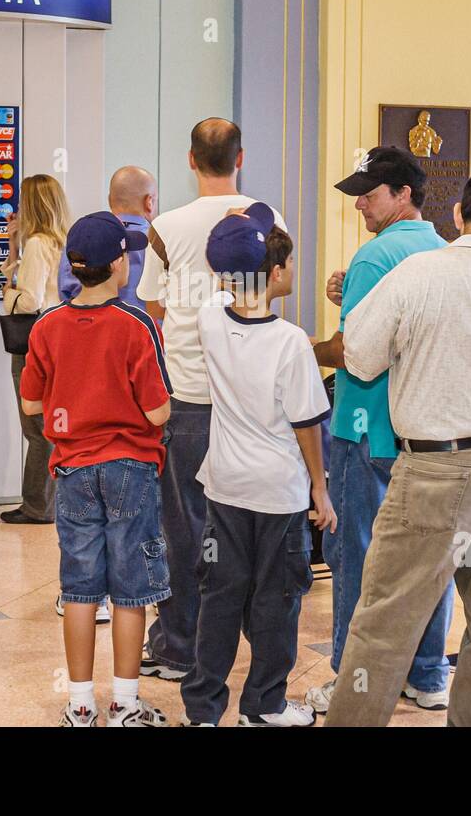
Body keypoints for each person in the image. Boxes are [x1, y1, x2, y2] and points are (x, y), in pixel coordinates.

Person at [324, 170, 471, 727]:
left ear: (458, 213)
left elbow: (358, 357)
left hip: (437, 470)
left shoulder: (418, 273)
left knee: (384, 622)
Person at [134, 118, 286, 682]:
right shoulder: (268, 216)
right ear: (240, 157)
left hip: (190, 396)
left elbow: (151, 305)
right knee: (250, 525)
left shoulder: (165, 226)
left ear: (190, 160)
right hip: (251, 396)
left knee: (184, 526)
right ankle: (249, 645)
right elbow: (277, 294)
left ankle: (177, 647)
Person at [306, 147, 453, 716]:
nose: (361, 201)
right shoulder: (443, 251)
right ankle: (428, 672)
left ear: (405, 194)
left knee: (355, 555)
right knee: (425, 558)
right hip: (421, 429)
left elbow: (352, 352)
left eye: (372, 192)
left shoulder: (374, 257)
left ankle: (353, 678)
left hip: (363, 425)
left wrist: (301, 350)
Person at [179, 204, 335, 726]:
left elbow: (226, 269)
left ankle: (202, 709)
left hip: (224, 487)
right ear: (272, 274)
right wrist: (320, 487)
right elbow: (306, 424)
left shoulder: (209, 318)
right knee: (277, 599)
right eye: (286, 262)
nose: (291, 270)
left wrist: (238, 227)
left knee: (220, 596)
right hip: (278, 492)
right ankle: (264, 705)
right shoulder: (291, 343)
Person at [19, 211, 172, 727]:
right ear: (116, 266)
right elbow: (157, 412)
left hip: (72, 468)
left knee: (80, 588)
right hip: (130, 464)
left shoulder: (47, 325)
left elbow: (32, 403)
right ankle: (126, 702)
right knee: (131, 588)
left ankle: (80, 702)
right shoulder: (137, 326)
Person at [0, 173, 71, 526]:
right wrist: (14, 246)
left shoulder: (40, 245)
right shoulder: (62, 242)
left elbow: (28, 301)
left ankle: (36, 506)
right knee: (51, 424)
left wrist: (6, 293)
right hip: (60, 341)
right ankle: (49, 503)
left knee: (36, 428)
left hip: (33, 344)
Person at [57, 166, 157, 306]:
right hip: (145, 326)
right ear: (149, 202)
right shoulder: (161, 242)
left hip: (85, 325)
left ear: (110, 200)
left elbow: (66, 292)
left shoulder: (81, 235)